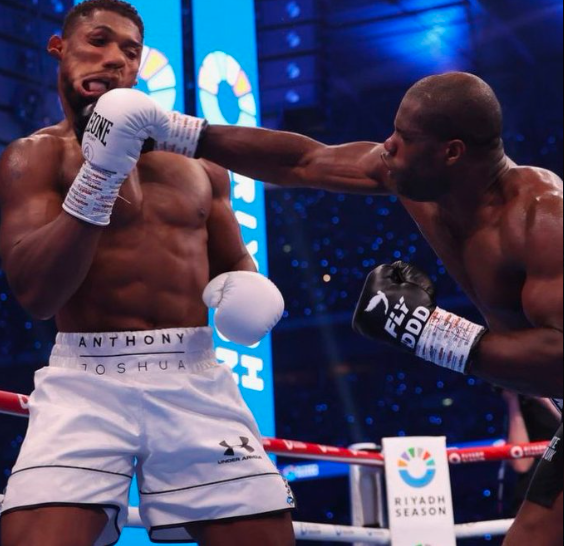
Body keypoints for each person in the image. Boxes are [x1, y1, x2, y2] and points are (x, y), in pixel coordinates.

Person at [180, 72, 563, 545]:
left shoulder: (541, 219)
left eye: (406, 137)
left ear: (452, 151)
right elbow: (303, 161)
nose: (388, 145)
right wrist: (185, 134)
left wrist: (431, 333)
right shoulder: (414, 179)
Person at [0, 1, 296, 545]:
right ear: (59, 48)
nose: (114, 59)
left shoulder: (200, 164)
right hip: (86, 380)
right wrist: (101, 175)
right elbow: (36, 293)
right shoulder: (34, 157)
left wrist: (249, 291)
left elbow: (233, 263)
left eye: (130, 52)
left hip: (194, 375)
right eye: (98, 41)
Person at [501, 391, 561, 517]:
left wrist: (547, 399)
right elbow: (521, 464)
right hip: (536, 496)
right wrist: (512, 401)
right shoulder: (522, 406)